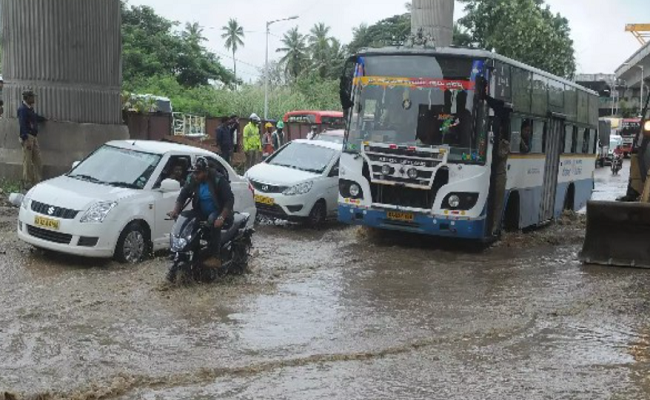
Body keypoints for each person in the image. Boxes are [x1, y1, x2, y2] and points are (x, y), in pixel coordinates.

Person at [167, 156, 234, 281]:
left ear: (206, 171)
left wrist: (221, 217)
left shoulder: (218, 180)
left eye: (198, 173)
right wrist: (175, 211)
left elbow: (229, 200)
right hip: (201, 211)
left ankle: (215, 256)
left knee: (212, 220)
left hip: (218, 212)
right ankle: (192, 250)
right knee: (186, 216)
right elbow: (183, 195)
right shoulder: (193, 179)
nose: (196, 176)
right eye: (194, 173)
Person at [18, 90, 47, 191]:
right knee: (27, 160)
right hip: (28, 137)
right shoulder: (22, 109)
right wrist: (25, 139)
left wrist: (42, 119)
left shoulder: (30, 109)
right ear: (27, 98)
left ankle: (37, 180)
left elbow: (34, 118)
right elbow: (22, 124)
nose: (34, 99)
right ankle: (27, 182)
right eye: (32, 97)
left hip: (34, 136)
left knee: (37, 160)